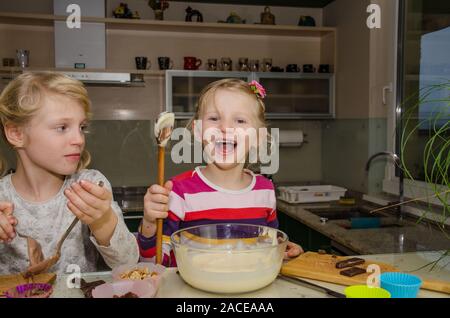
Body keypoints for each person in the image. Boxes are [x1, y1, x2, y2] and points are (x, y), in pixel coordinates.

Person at [138, 78, 303, 266]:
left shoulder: (265, 191)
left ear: (259, 137)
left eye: (240, 120)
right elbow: (154, 264)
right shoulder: (179, 193)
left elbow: (267, 251)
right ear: (198, 131)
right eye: (214, 118)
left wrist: (283, 252)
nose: (225, 128)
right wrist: (150, 223)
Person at [0, 72, 139, 274]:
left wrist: (103, 221)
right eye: (62, 127)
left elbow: (128, 264)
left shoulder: (90, 186)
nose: (79, 139)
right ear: (16, 134)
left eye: (81, 127)